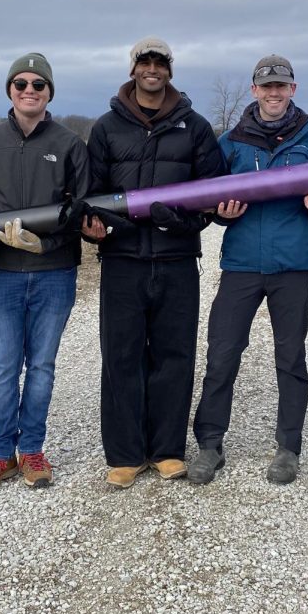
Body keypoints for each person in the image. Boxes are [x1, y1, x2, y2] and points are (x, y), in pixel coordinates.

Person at [82, 37, 226, 489]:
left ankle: (166, 450)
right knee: (121, 356)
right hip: (123, 261)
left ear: (169, 70)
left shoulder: (195, 127)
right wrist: (106, 227)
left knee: (174, 355)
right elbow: (91, 193)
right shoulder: (107, 128)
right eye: (144, 62)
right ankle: (125, 454)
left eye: (160, 63)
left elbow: (213, 192)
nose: (152, 69)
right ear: (133, 70)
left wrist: (182, 223)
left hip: (178, 260)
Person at [188, 54, 308, 486]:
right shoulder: (231, 141)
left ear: (293, 89)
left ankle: (288, 448)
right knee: (222, 354)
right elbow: (214, 203)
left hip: (292, 264)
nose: (273, 92)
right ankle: (209, 444)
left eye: (281, 85)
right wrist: (224, 214)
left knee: (290, 359)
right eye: (266, 86)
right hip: (242, 264)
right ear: (254, 90)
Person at [0, 53, 90, 493]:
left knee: (41, 366)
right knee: (2, 367)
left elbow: (82, 213)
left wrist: (47, 243)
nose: (30, 90)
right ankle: (1, 454)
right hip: (3, 274)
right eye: (21, 84)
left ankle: (32, 448)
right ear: (10, 91)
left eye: (39, 84)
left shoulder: (71, 144)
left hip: (54, 272)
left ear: (50, 91)